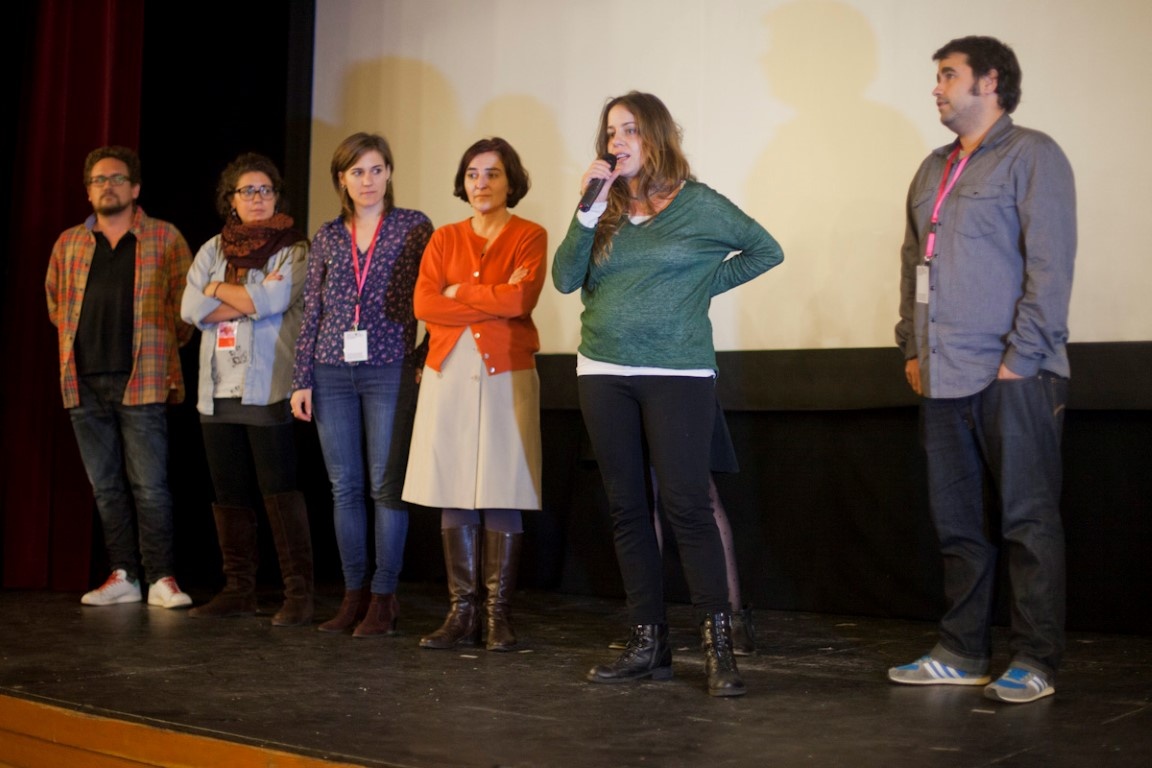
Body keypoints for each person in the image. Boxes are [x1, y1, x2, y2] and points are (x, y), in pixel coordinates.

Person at [553, 92, 783, 696]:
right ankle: (648, 644)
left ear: (656, 135)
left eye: (629, 130)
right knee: (628, 508)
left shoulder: (699, 204)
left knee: (686, 506)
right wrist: (584, 211)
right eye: (610, 132)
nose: (617, 142)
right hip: (602, 370)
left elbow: (767, 250)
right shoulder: (600, 211)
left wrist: (703, 285)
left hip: (678, 374)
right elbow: (563, 279)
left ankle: (717, 647)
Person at [889, 36, 1076, 704]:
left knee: (1027, 522)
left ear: (990, 82)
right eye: (937, 76)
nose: (936, 88)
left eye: (948, 75)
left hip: (1013, 375)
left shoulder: (1034, 156)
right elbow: (916, 262)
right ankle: (962, 651)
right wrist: (912, 347)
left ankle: (1036, 658)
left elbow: (1050, 267)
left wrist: (1018, 361)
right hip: (941, 374)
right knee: (958, 523)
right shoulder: (932, 168)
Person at [403, 137, 547, 652]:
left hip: (506, 370)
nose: (481, 183)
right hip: (449, 369)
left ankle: (497, 617)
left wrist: (457, 292)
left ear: (511, 181)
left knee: (502, 487)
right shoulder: (443, 238)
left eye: (492, 174)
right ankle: (461, 614)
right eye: (472, 174)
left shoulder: (531, 235)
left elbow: (519, 299)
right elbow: (424, 304)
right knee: (454, 486)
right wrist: (483, 299)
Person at [291, 133, 432, 637]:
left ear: (390, 173)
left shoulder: (414, 227)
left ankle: (383, 597)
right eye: (356, 172)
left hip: (389, 368)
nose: (367, 180)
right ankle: (352, 596)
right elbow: (313, 310)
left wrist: (421, 357)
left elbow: (434, 295)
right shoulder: (328, 235)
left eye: (375, 169)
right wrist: (301, 378)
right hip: (330, 369)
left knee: (383, 486)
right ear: (341, 180)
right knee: (344, 488)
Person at [45, 145, 194, 608]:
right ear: (88, 191)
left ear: (135, 188)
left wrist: (160, 350)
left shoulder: (165, 238)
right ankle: (124, 574)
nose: (107, 186)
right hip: (83, 380)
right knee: (106, 487)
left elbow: (185, 311)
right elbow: (56, 306)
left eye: (116, 178)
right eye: (98, 180)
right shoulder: (69, 243)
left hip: (142, 378)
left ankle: (162, 578)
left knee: (150, 486)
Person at [181, 153, 313, 626]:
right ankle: (239, 589)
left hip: (268, 386)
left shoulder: (294, 248)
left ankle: (298, 594)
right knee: (228, 493)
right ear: (231, 200)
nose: (257, 198)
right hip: (216, 391)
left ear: (276, 196)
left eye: (265, 190)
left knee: (278, 491)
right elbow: (188, 307)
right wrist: (238, 297)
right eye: (247, 191)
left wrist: (216, 292)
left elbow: (274, 300)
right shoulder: (212, 249)